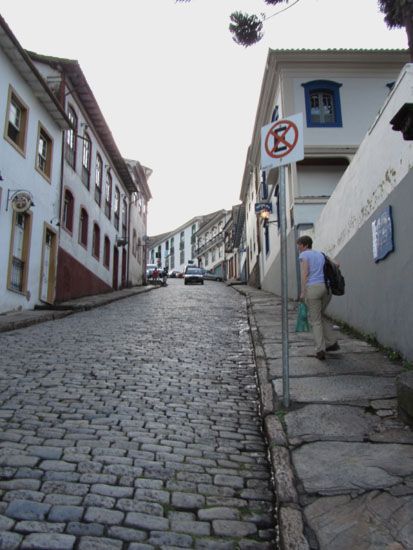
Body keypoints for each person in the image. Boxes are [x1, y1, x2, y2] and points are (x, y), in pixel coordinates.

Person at [297, 235, 340, 360]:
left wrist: (302, 292)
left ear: (305, 245)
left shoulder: (304, 255)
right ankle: (332, 342)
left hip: (313, 289)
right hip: (326, 289)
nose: (298, 248)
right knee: (319, 316)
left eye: (299, 245)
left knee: (315, 320)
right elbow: (337, 264)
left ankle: (320, 349)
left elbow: (304, 274)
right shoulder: (321, 254)